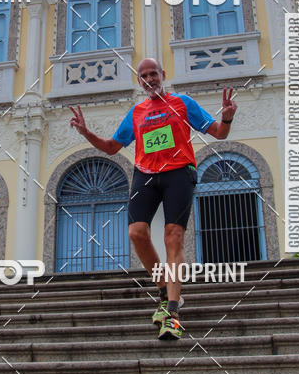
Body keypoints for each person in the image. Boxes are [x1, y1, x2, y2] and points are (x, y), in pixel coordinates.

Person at [69, 58, 237, 340]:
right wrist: (86, 133)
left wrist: (228, 116)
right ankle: (163, 289)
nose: (149, 79)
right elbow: (112, 148)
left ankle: (172, 312)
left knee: (173, 236)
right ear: (139, 81)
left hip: (179, 173)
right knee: (136, 232)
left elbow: (218, 133)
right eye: (144, 75)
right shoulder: (137, 112)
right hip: (145, 175)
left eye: (154, 74)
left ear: (163, 75)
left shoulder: (182, 103)